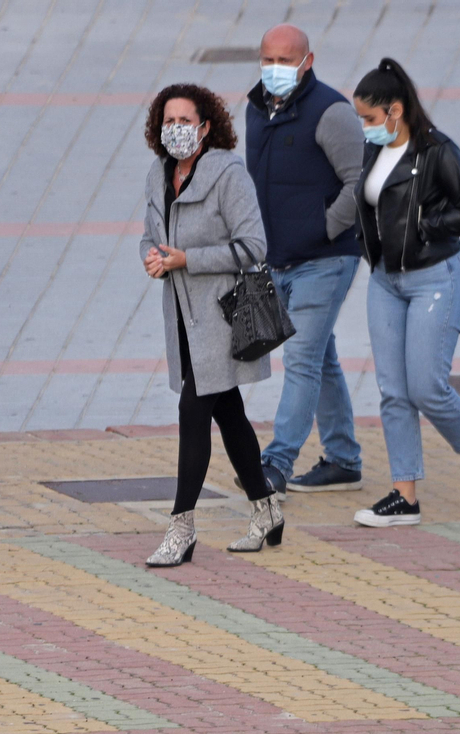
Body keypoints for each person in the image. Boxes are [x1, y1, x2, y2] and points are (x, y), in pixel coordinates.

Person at [349, 58, 460, 527]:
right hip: (385, 280)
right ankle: (404, 494)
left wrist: (426, 225)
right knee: (393, 390)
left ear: (396, 110)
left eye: (370, 119)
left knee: (427, 386)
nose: (365, 128)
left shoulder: (436, 151)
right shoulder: (374, 151)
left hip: (434, 277)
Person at [140, 83, 283, 566]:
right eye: (169, 121)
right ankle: (266, 510)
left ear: (205, 127)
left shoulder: (227, 174)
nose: (176, 130)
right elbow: (148, 236)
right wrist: (153, 258)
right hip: (181, 318)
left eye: (185, 121)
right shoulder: (158, 175)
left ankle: (181, 528)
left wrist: (187, 259)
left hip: (221, 319)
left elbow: (254, 247)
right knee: (231, 416)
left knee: (193, 412)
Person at [243, 23, 366, 498]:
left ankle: (275, 463)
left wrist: (324, 228)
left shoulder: (331, 111)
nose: (275, 70)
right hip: (275, 260)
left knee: (300, 359)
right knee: (322, 358)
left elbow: (359, 181)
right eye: (268, 60)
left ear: (307, 61)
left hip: (326, 259)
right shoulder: (255, 109)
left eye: (285, 61)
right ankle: (343, 459)